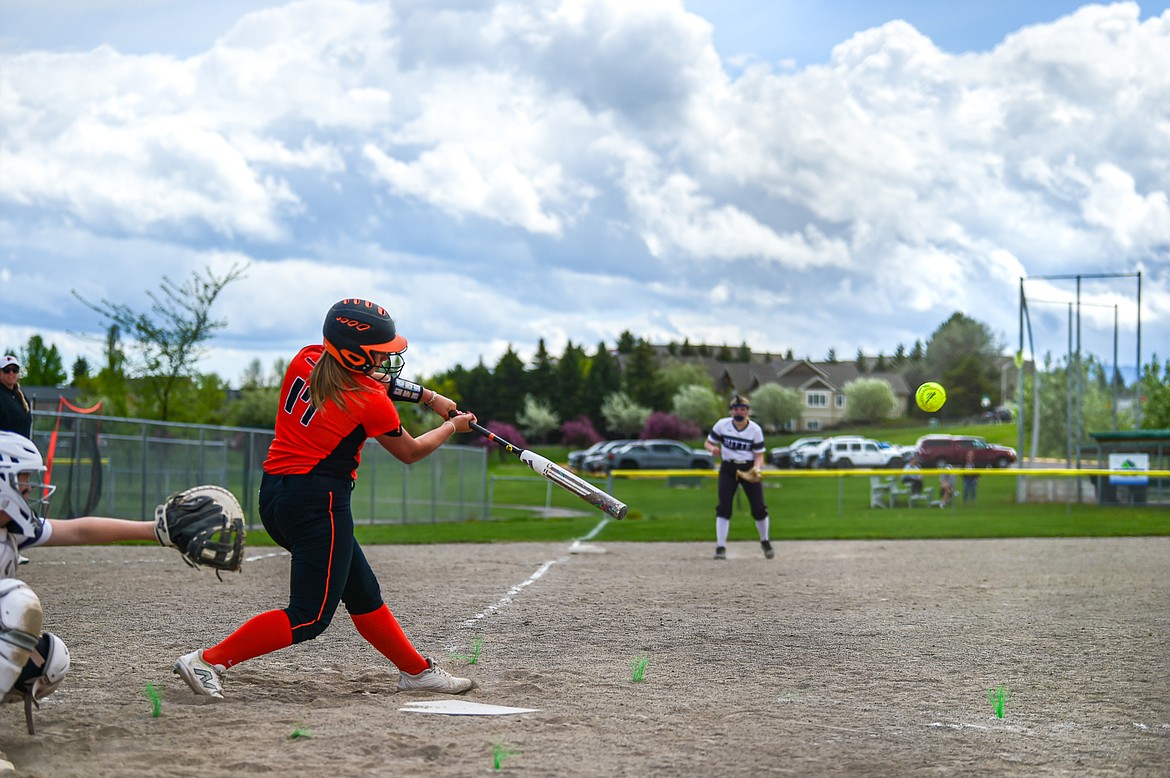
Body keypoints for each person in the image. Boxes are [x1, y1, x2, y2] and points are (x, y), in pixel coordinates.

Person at [173, 299, 478, 700]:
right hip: (319, 504)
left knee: (362, 591)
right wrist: (452, 426)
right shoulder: (371, 402)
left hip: (277, 495)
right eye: (380, 354)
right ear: (355, 354)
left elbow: (371, 380)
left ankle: (417, 672)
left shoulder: (308, 358)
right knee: (310, 616)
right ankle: (208, 660)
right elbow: (410, 451)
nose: (387, 360)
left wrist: (427, 397)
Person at [0, 430, 172, 768]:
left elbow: (79, 530)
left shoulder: (12, 530)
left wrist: (156, 530)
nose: (29, 488)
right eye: (21, 478)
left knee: (49, 660)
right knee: (17, 604)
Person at [704, 395, 772, 561]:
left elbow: (759, 455)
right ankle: (721, 547)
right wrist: (712, 448)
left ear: (748, 411)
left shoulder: (754, 430)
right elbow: (708, 442)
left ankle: (765, 541)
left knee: (759, 508)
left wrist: (756, 468)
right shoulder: (723, 425)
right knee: (724, 507)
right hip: (729, 468)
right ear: (731, 411)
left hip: (748, 467)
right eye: (736, 409)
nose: (739, 412)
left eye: (742, 409)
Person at [0, 356, 31, 440]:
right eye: (7, 370)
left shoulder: (20, 396)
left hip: (22, 448)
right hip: (5, 449)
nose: (11, 373)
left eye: (15, 370)